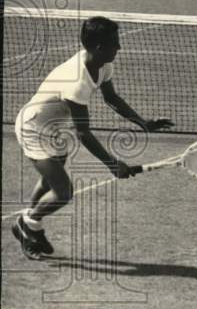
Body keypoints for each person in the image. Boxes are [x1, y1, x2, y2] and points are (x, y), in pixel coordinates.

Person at [11, 16, 173, 259]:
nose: (119, 47)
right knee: (63, 192)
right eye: (115, 43)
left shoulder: (103, 64)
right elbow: (83, 133)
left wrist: (144, 124)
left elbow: (111, 99)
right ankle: (29, 223)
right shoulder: (76, 81)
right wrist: (112, 164)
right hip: (32, 128)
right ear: (99, 47)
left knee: (49, 181)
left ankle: (27, 224)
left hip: (52, 127)